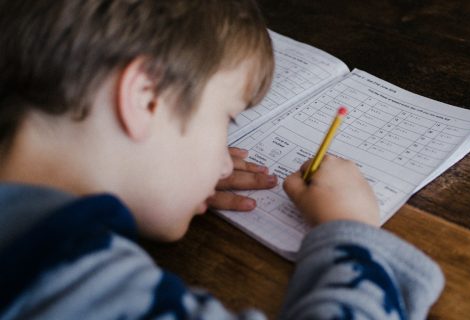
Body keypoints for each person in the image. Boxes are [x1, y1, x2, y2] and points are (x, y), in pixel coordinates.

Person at [0, 0, 444, 319]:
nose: (226, 165)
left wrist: (153, 180)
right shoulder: (67, 282)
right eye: (226, 119)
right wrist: (351, 234)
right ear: (146, 98)